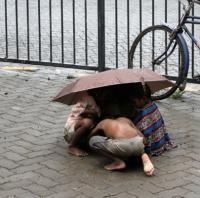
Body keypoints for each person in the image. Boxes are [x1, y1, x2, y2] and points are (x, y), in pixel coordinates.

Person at [89, 117, 155, 176]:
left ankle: (118, 162)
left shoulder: (104, 122)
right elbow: (143, 138)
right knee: (133, 144)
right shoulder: (125, 119)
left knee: (92, 141)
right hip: (138, 143)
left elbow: (91, 135)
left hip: (122, 146)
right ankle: (142, 154)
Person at [130, 78, 176, 156]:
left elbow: (146, 135)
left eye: (134, 102)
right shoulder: (153, 105)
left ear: (143, 99)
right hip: (161, 143)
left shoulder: (143, 114)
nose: (133, 104)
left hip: (152, 148)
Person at [64, 91, 100, 157]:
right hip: (71, 129)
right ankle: (72, 146)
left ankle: (82, 143)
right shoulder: (87, 98)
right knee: (87, 122)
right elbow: (78, 111)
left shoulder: (100, 101)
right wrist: (92, 112)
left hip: (84, 131)